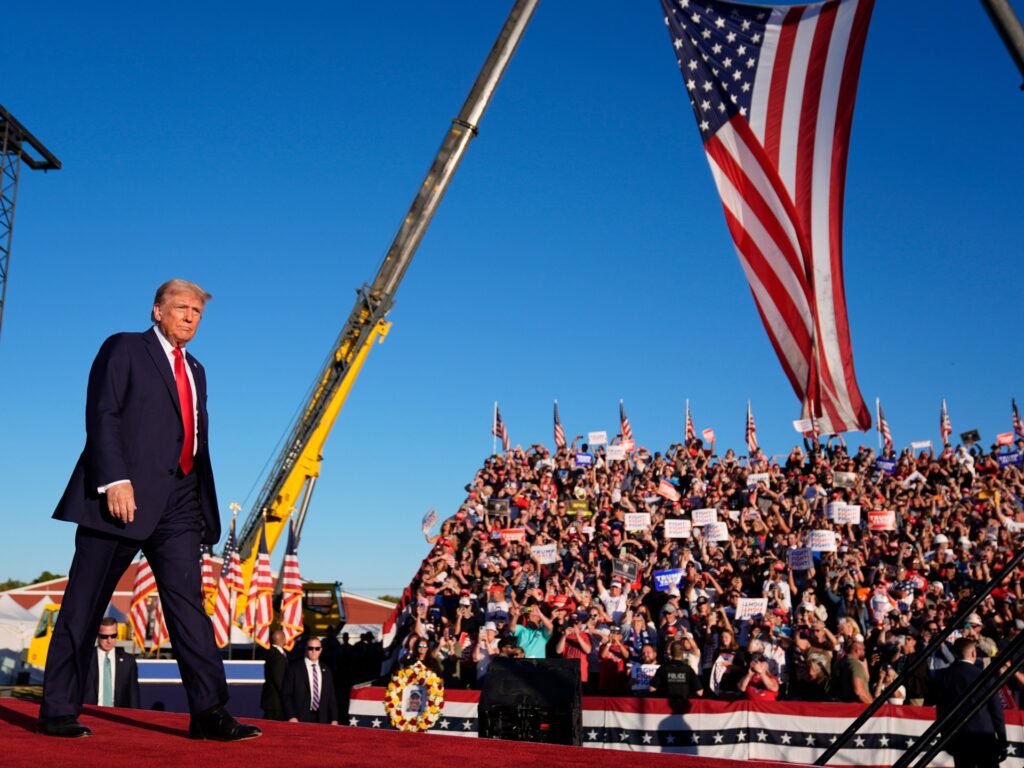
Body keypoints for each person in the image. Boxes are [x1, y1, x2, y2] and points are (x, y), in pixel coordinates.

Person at [38, 280, 259, 741]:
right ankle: (58, 709)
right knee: (84, 604)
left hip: (181, 503)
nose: (190, 317)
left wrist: (199, 501)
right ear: (157, 310)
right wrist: (114, 479)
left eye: (197, 311)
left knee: (188, 608)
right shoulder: (124, 348)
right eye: (181, 308)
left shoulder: (196, 369)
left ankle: (209, 713)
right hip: (120, 497)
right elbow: (103, 413)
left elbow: (193, 441)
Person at [936, 638, 1007, 768]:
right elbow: (996, 710)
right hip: (985, 738)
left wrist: (945, 738)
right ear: (974, 653)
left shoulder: (945, 676)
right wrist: (1002, 741)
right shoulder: (984, 676)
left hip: (959, 738)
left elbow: (941, 711)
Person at [82, 617, 139, 708]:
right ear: (97, 636)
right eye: (104, 636)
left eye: (113, 636)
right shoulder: (84, 659)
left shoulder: (128, 662)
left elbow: (133, 696)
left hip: (117, 716)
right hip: (90, 715)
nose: (109, 640)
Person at [283, 638, 339, 725]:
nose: (314, 651)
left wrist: (334, 718)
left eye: (317, 648)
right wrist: (291, 716)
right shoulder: (294, 669)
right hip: (299, 718)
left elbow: (331, 695)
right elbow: (286, 695)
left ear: (321, 650)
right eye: (310, 648)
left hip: (322, 718)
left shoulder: (326, 670)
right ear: (306, 649)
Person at [648, 641, 703, 708]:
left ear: (670, 652)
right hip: (683, 708)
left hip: (665, 708)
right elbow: (700, 692)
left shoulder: (663, 668)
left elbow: (652, 689)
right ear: (683, 653)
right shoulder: (688, 670)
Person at [261, 629, 289, 720]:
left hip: (271, 701)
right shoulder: (278, 657)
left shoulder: (271, 653)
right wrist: (287, 696)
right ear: (283, 639)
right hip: (275, 703)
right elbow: (279, 680)